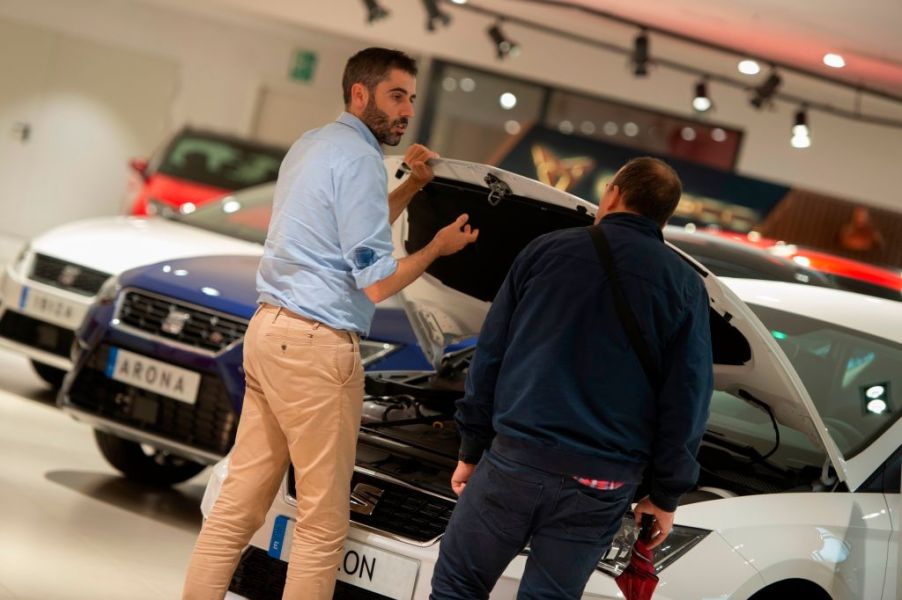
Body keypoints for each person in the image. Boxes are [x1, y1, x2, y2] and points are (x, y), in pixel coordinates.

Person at [182, 47, 478, 600]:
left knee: (236, 507)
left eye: (411, 99)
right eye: (395, 96)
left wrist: (412, 185)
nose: (405, 111)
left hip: (269, 333)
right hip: (317, 348)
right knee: (322, 524)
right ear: (360, 94)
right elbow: (378, 282)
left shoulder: (312, 144)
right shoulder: (361, 159)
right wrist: (439, 246)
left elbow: (349, 242)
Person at [430, 157, 713, 599]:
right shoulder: (686, 287)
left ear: (613, 194)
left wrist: (471, 447)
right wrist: (666, 494)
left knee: (458, 588)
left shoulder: (546, 251)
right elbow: (688, 398)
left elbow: (490, 355)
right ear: (665, 215)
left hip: (516, 463)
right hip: (602, 483)